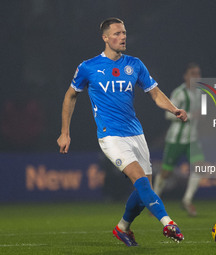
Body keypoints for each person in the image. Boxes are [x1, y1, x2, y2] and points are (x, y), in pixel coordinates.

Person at [57, 17, 186, 246]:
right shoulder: (88, 67)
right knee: (142, 183)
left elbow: (155, 94)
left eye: (124, 32)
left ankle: (123, 228)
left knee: (143, 188)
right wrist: (65, 132)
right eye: (117, 33)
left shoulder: (135, 65)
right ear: (105, 38)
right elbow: (70, 95)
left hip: (135, 133)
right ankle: (168, 223)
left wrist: (174, 109)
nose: (123, 36)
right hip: (110, 135)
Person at [153, 63, 204, 216]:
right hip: (175, 139)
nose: (196, 76)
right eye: (193, 73)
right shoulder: (179, 93)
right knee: (165, 173)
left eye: (198, 73)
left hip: (192, 139)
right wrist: (187, 115)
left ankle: (187, 200)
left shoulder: (201, 93)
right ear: (186, 76)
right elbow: (167, 114)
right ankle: (155, 202)